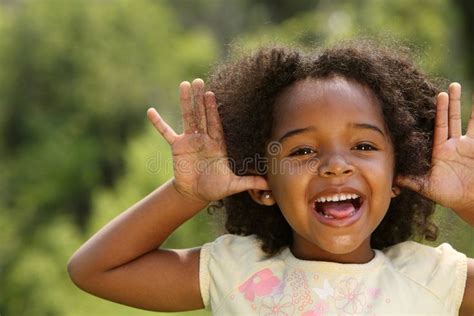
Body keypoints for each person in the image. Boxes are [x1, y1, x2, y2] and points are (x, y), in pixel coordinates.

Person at [67, 42, 474, 315]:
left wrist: (467, 200)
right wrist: (184, 194)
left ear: (397, 177)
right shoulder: (237, 273)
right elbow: (94, 270)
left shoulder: (432, 279)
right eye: (302, 151)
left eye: (364, 147)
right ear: (262, 184)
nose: (335, 165)